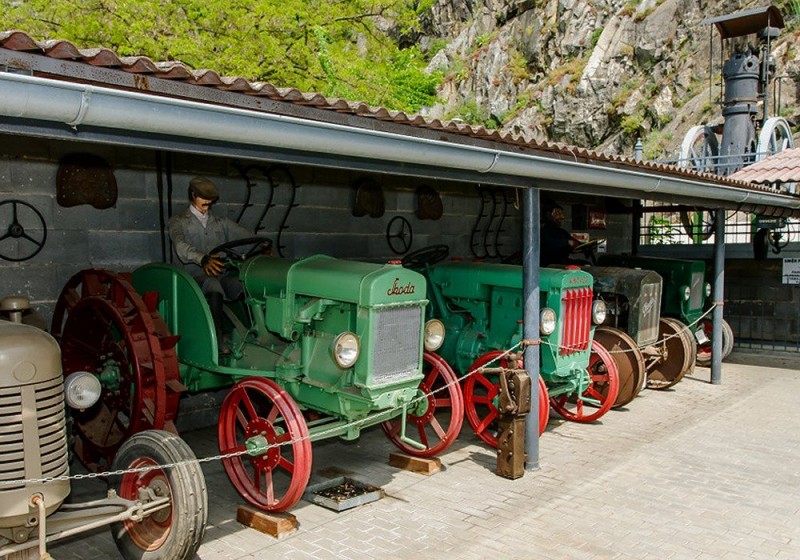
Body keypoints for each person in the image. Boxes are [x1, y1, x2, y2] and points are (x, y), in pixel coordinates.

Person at [168, 176, 257, 354]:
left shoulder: (220, 223)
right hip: (192, 276)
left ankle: (252, 334)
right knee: (213, 285)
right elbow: (180, 246)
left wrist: (260, 244)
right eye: (203, 198)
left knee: (243, 285)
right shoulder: (178, 221)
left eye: (210, 200)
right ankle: (216, 339)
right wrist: (203, 258)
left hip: (220, 273)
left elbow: (245, 236)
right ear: (193, 195)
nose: (207, 203)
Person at [540, 202, 581, 266]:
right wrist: (567, 242)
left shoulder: (562, 232)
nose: (562, 217)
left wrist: (583, 245)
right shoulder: (542, 232)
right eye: (558, 214)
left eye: (562, 214)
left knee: (585, 264)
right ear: (548, 215)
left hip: (563, 262)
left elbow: (575, 243)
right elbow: (549, 243)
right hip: (549, 265)